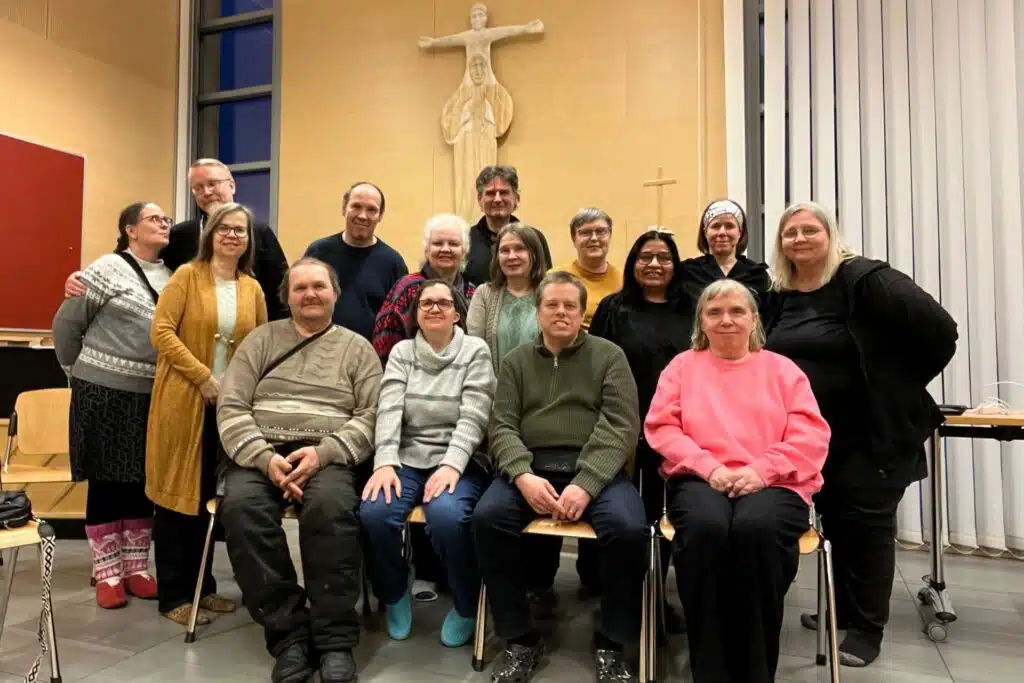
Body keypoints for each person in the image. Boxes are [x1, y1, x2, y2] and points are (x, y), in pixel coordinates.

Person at [762, 201, 958, 667]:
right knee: (836, 523)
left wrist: (897, 383)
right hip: (812, 437)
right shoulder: (781, 293)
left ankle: (868, 629)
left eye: (810, 230)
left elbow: (940, 330)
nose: (799, 239)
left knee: (868, 528)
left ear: (831, 235)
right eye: (790, 233)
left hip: (871, 434)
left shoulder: (866, 278)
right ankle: (845, 611)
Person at [645, 278, 831, 683]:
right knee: (707, 528)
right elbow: (662, 428)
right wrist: (709, 467)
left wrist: (760, 471)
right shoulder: (681, 367)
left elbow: (810, 436)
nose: (726, 319)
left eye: (736, 311)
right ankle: (710, 671)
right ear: (701, 322)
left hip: (776, 481)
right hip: (700, 477)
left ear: (754, 319)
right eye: (714, 312)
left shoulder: (783, 370)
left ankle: (754, 671)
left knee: (756, 530)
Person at [471, 271, 646, 683]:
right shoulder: (516, 361)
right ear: (538, 312)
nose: (561, 312)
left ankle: (612, 642)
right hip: (531, 466)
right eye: (552, 304)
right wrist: (522, 474)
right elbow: (501, 426)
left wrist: (586, 483)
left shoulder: (609, 356)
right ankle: (520, 638)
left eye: (570, 305)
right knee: (487, 518)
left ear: (583, 313)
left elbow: (621, 425)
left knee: (628, 528)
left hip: (595, 467)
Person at [217, 257, 382, 683]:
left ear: (335, 294)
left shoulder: (358, 348)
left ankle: (334, 641)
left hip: (327, 455)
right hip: (262, 453)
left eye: (319, 286)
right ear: (286, 297)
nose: (310, 294)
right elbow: (231, 405)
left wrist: (323, 453)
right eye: (300, 288)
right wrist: (263, 457)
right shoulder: (259, 341)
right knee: (242, 509)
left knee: (331, 509)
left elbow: (371, 415)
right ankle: (288, 635)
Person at [146, 202, 268, 626]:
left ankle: (205, 587)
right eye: (224, 228)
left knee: (209, 501)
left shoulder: (252, 288)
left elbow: (259, 346)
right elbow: (161, 332)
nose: (233, 235)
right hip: (183, 400)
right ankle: (173, 595)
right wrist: (203, 377)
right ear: (210, 234)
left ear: (249, 241)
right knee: (176, 499)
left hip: (229, 409)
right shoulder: (186, 276)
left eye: (240, 230)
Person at [360, 280, 495, 648]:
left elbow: (474, 415)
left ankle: (466, 604)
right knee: (375, 513)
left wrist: (452, 465)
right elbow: (389, 409)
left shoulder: (475, 351)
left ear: (457, 314)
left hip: (461, 458)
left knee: (447, 517)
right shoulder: (403, 352)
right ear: (415, 315)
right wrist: (384, 462)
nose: (435, 308)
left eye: (443, 303)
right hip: (407, 457)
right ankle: (394, 593)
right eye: (426, 303)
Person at [52, 202, 172, 608]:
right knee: (105, 482)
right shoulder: (105, 268)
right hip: (101, 391)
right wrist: (79, 373)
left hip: (150, 394)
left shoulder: (174, 275)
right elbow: (67, 325)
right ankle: (107, 574)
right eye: (154, 218)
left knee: (140, 481)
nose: (163, 224)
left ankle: (137, 568)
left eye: (166, 219)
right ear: (130, 229)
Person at [588, 229, 690, 631]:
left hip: (678, 430)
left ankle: (656, 600)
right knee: (631, 520)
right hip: (622, 429)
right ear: (632, 264)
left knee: (665, 518)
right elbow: (593, 366)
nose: (654, 264)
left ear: (675, 265)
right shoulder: (613, 308)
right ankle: (623, 601)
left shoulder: (692, 309)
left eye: (663, 257)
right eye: (645, 257)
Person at [64, 159, 289, 319]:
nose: (206, 192)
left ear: (231, 185)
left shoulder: (259, 232)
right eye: (198, 188)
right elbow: (133, 260)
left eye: (212, 184)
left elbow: (281, 291)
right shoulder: (180, 235)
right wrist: (83, 278)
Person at [304, 181, 408, 340]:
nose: (362, 216)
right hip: (318, 348)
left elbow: (401, 319)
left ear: (380, 216)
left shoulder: (393, 263)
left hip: (371, 353)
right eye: (356, 206)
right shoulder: (318, 253)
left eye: (371, 210)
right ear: (343, 208)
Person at [373, 213, 476, 365]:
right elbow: (385, 341)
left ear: (464, 251)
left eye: (453, 244)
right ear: (427, 250)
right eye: (438, 243)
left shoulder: (473, 294)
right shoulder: (407, 288)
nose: (445, 249)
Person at [466, 222, 547, 373]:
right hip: (493, 385)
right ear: (497, 257)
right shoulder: (484, 294)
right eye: (504, 250)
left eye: (520, 248)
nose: (511, 256)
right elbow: (475, 351)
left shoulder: (550, 294)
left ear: (534, 254)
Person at [463, 166, 553, 286]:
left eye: (504, 192)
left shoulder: (535, 238)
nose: (497, 199)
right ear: (480, 199)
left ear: (516, 198)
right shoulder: (465, 240)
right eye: (490, 193)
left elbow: (546, 284)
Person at [680, 199, 769, 309]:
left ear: (740, 233)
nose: (722, 232)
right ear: (705, 232)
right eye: (715, 226)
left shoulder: (758, 275)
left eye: (729, 226)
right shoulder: (688, 272)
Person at [551, 208, 623, 331]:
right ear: (573, 239)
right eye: (585, 232)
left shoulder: (623, 281)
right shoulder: (555, 278)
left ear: (610, 236)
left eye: (601, 231)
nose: (594, 238)